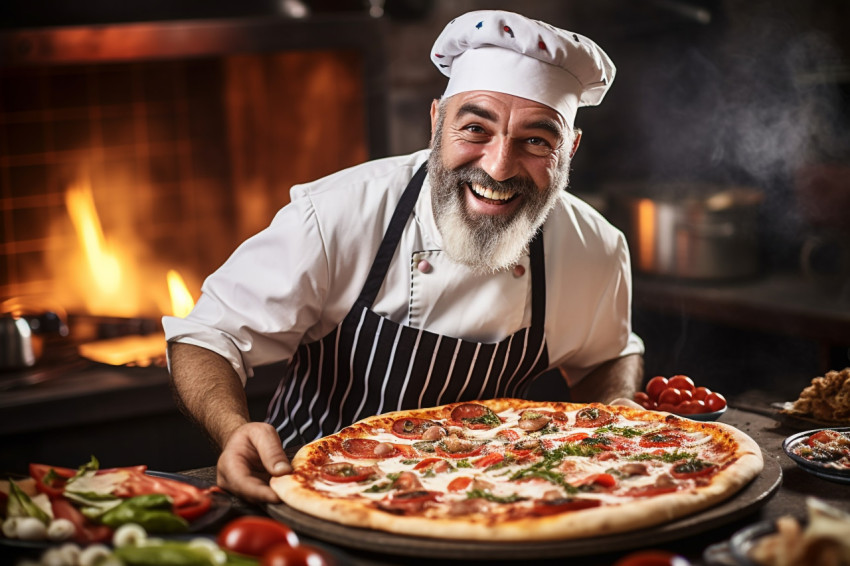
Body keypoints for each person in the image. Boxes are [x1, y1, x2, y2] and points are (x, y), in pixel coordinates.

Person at [164, 10, 644, 504]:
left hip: (493, 503)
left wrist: (615, 419)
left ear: (570, 149)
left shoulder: (595, 247)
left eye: (537, 141)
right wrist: (232, 430)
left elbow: (607, 355)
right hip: (308, 489)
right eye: (475, 129)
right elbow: (209, 336)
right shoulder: (336, 214)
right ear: (437, 121)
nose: (499, 167)